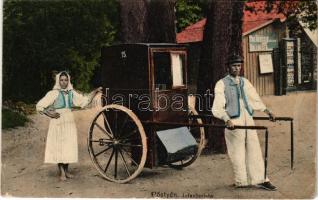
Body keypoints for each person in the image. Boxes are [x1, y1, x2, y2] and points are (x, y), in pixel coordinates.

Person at [211, 54, 277, 191]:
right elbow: (218, 106)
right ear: (228, 67)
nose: (237, 68)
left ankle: (261, 179)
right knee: (237, 151)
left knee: (254, 147)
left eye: (239, 66)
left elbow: (254, 98)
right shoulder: (221, 83)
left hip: (247, 116)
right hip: (233, 119)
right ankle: (241, 181)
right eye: (234, 65)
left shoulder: (244, 82)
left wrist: (266, 110)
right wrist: (226, 119)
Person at [36, 71, 102, 181]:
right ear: (58, 81)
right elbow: (40, 106)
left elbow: (84, 101)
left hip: (69, 121)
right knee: (59, 147)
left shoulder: (72, 93)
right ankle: (61, 172)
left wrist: (95, 91)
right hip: (57, 122)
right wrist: (49, 113)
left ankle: (66, 171)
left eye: (65, 80)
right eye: (61, 80)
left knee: (68, 146)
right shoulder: (54, 93)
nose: (63, 82)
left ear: (68, 81)